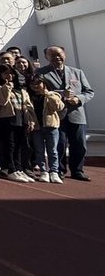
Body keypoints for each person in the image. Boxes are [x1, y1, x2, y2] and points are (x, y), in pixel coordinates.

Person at [36, 45, 95, 181]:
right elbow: (39, 91)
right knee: (59, 144)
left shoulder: (77, 72)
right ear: (47, 57)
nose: (57, 57)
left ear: (64, 55)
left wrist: (78, 99)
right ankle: (59, 170)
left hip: (76, 114)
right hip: (56, 115)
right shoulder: (41, 73)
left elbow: (89, 92)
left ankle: (77, 170)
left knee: (79, 144)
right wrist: (62, 94)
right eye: (52, 55)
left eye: (59, 54)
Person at [0, 65, 37, 183]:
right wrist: (6, 88)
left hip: (21, 119)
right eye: (5, 73)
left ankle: (18, 168)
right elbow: (2, 101)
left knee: (19, 146)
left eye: (11, 73)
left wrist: (30, 120)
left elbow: (28, 106)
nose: (9, 76)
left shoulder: (22, 90)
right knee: (9, 146)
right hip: (7, 119)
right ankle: (10, 169)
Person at [30, 76, 65, 184]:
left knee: (53, 150)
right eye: (33, 84)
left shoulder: (52, 95)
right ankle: (43, 171)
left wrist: (48, 94)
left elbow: (59, 107)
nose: (35, 86)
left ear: (44, 84)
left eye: (38, 83)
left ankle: (54, 171)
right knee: (39, 150)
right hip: (37, 127)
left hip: (51, 126)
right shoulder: (30, 97)